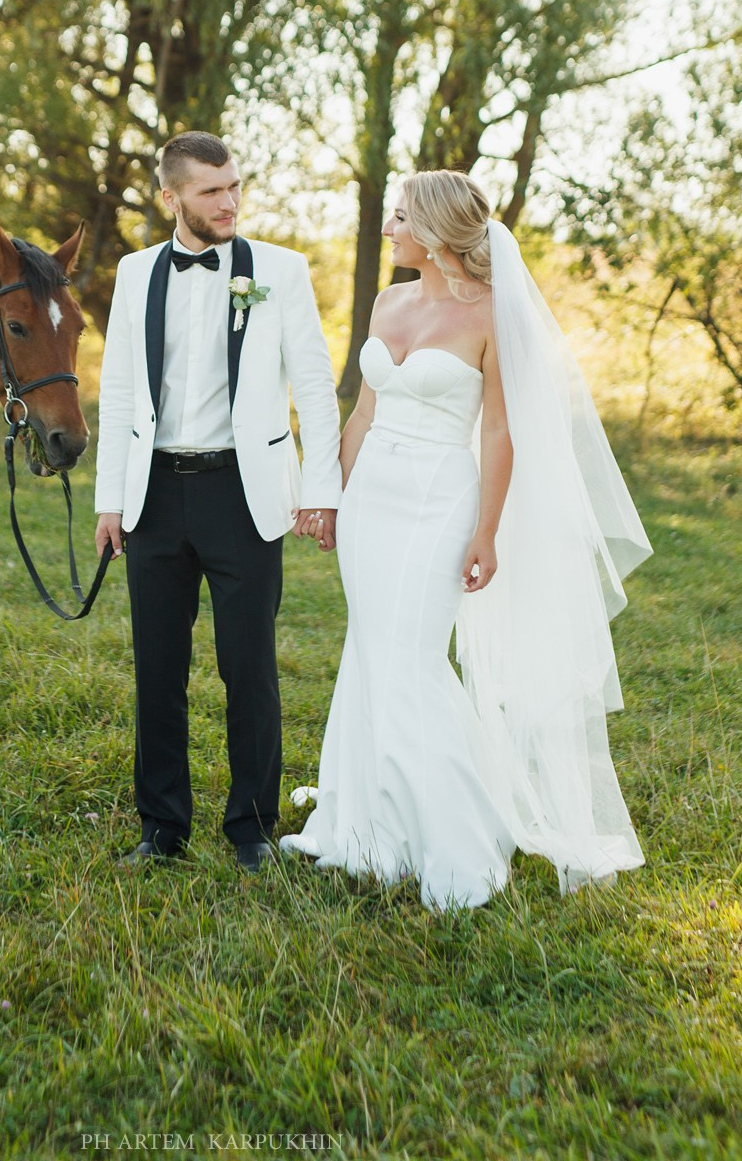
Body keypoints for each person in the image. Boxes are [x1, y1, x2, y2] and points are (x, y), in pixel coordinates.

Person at [282, 170, 652, 906]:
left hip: (438, 498)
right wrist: (332, 499)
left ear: (436, 230)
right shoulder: (389, 300)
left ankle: (455, 834)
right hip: (373, 497)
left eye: (398, 217)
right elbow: (361, 413)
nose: (387, 228)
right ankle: (362, 821)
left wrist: (485, 530)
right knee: (368, 648)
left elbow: (499, 430)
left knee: (412, 658)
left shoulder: (490, 314)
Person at [94, 132, 342, 871]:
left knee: (249, 668)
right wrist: (111, 500)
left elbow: (316, 385)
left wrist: (322, 489)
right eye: (210, 191)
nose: (228, 201)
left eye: (234, 186)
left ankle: (252, 830)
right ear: (171, 199)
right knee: (157, 669)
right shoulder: (135, 273)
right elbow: (116, 391)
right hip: (155, 493)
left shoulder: (281, 271)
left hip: (246, 492)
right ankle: (162, 829)